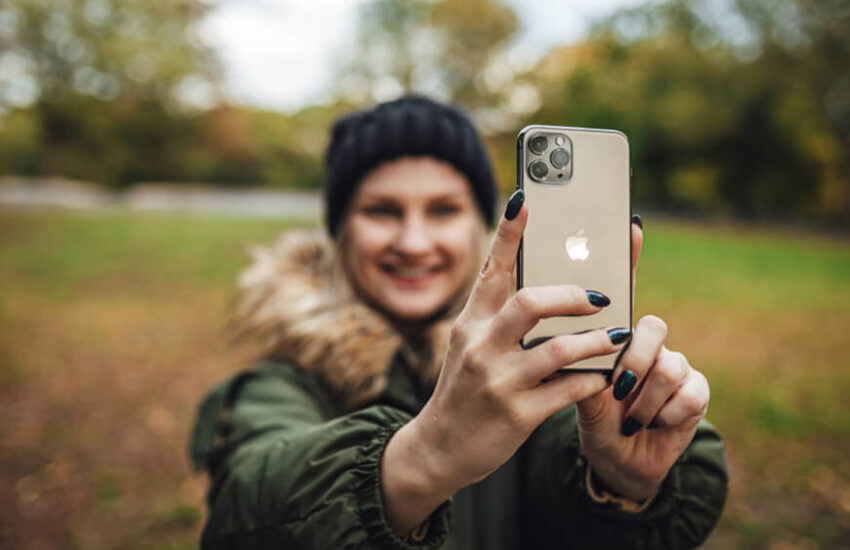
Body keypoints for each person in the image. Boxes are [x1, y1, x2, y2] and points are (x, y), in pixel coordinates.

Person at [189, 95, 728, 549]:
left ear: (483, 227)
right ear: (340, 230)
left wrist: (619, 482)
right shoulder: (282, 383)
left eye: (444, 210)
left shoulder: (542, 361)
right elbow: (244, 509)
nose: (414, 242)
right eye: (382, 210)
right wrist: (427, 454)